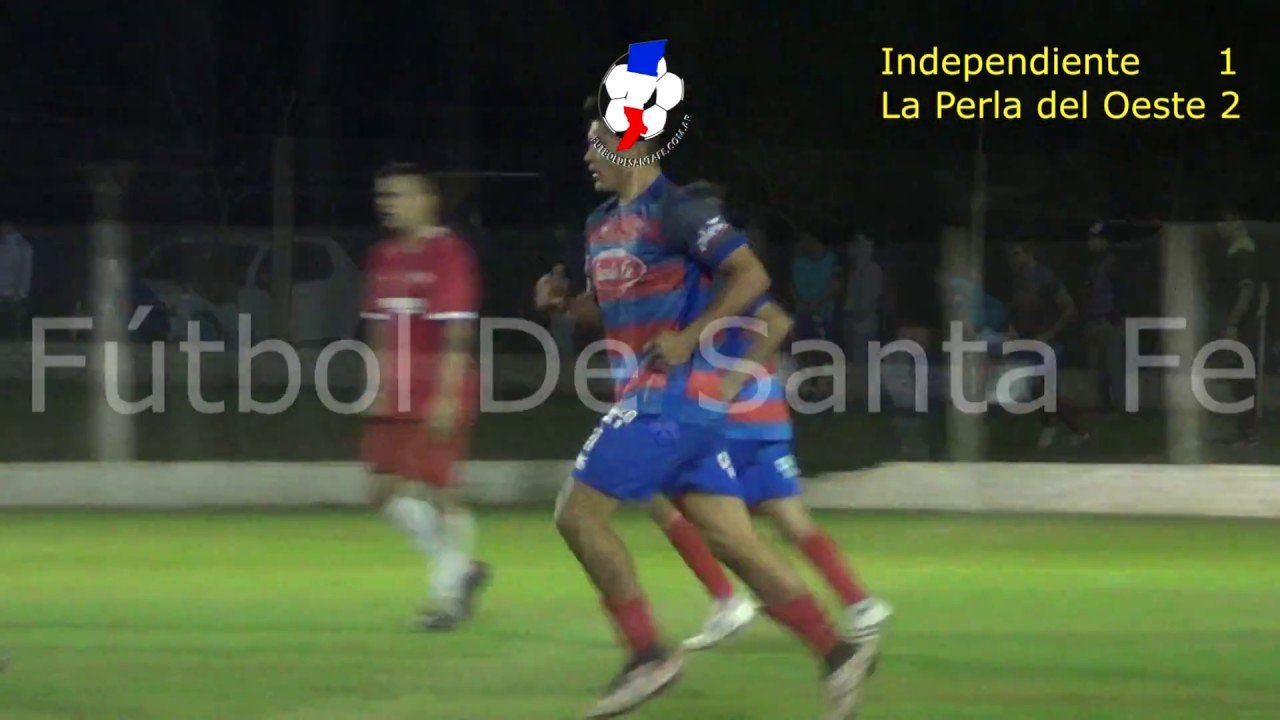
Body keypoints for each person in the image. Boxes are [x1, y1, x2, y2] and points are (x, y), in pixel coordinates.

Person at [544, 103, 874, 719]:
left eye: (598, 142)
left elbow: (751, 276)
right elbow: (610, 306)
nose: (588, 155)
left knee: (577, 515)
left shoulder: (678, 210)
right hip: (675, 406)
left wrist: (690, 337)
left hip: (664, 398)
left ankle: (647, 654)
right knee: (734, 542)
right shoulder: (601, 222)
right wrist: (565, 305)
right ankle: (837, 653)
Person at [649, 297, 893, 651]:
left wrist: (726, 383)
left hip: (724, 421)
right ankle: (859, 604)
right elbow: (774, 325)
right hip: (767, 418)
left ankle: (727, 600)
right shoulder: (738, 290)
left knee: (670, 501)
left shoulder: (693, 290)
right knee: (791, 520)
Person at [360, 163, 490, 630]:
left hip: (438, 388)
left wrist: (447, 396)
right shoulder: (384, 256)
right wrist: (376, 383)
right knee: (380, 492)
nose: (388, 204)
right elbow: (379, 327)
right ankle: (463, 569)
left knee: (439, 491)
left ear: (426, 200)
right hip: (397, 391)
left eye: (398, 195)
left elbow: (457, 332)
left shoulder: (448, 254)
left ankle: (447, 597)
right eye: (384, 196)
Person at [1005, 242, 1089, 448]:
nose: (1012, 260)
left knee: (1044, 390)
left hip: (1049, 343)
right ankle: (1052, 427)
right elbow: (1015, 310)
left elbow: (1070, 310)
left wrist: (1049, 334)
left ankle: (1074, 430)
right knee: (1038, 390)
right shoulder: (1018, 281)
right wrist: (1012, 328)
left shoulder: (1046, 278)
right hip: (1028, 342)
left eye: (1016, 254)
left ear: (1029, 254)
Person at [1216, 210, 1265, 448]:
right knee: (1241, 378)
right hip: (1246, 325)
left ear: (1236, 224)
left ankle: (1247, 434)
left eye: (1222, 223)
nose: (1218, 228)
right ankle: (1245, 432)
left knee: (1242, 379)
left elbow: (1247, 291)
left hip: (1242, 327)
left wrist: (1233, 323)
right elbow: (1262, 290)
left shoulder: (1242, 252)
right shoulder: (1247, 250)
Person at [1082, 224, 1126, 412]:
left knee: (1114, 365)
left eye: (1096, 239)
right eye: (1091, 238)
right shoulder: (1092, 265)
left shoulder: (1114, 264)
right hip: (1093, 319)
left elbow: (1122, 292)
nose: (1092, 242)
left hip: (1109, 321)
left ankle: (1120, 406)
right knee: (1098, 367)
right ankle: (1104, 405)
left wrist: (1115, 316)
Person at [842, 234, 883, 371]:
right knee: (856, 362)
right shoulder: (854, 270)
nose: (850, 248)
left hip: (866, 325)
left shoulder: (872, 270)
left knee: (866, 364)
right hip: (853, 325)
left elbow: (870, 302)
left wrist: (858, 317)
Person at [0, 222, 33, 339]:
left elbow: (25, 272)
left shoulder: (22, 246)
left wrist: (21, 294)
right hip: (4, 292)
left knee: (13, 327)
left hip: (13, 295)